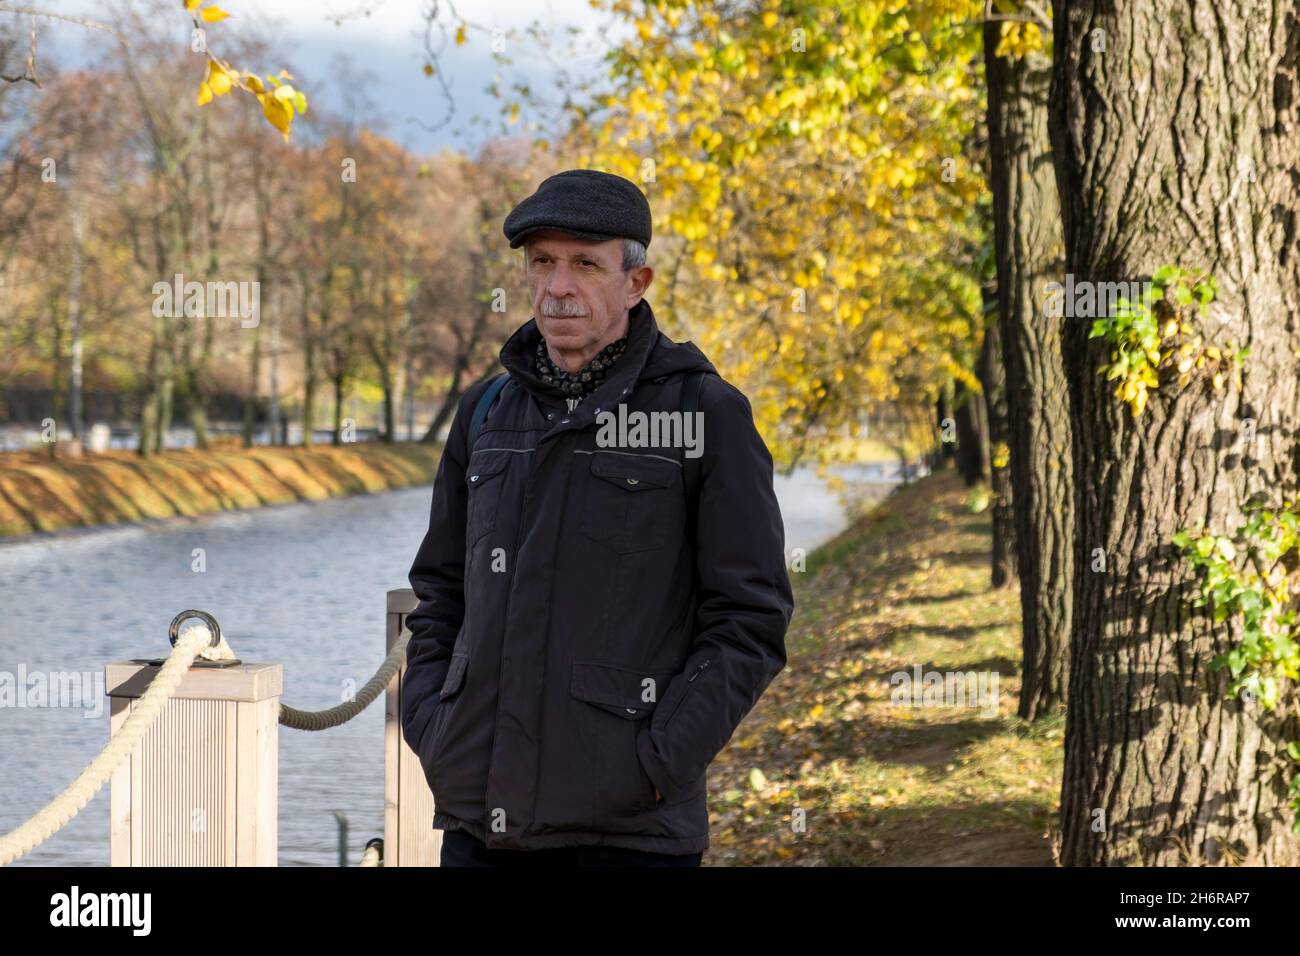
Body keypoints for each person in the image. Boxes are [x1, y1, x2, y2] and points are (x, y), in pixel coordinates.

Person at [399, 168, 794, 866]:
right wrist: (433, 726)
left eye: (585, 264)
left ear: (635, 283)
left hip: (628, 832)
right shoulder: (485, 412)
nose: (558, 286)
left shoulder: (704, 414)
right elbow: (440, 596)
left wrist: (657, 762)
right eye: (543, 263)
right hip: (478, 821)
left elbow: (749, 621)